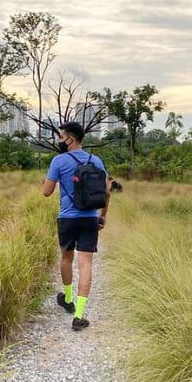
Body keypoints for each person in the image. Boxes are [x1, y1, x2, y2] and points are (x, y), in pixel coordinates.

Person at [42, 122, 111, 331]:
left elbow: (46, 191)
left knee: (66, 257)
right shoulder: (95, 160)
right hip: (90, 218)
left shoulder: (59, 161)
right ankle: (79, 315)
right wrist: (103, 216)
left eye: (61, 137)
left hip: (67, 218)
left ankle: (68, 299)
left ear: (70, 138)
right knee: (86, 264)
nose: (59, 140)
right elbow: (107, 190)